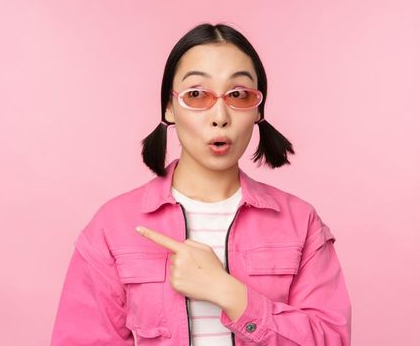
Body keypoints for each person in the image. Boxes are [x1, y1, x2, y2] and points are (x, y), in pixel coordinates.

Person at [50, 23, 351, 345]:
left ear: (258, 108)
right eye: (196, 94)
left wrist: (229, 293)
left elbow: (332, 340)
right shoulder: (114, 225)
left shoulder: (299, 221)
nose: (220, 115)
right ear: (169, 106)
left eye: (238, 94)